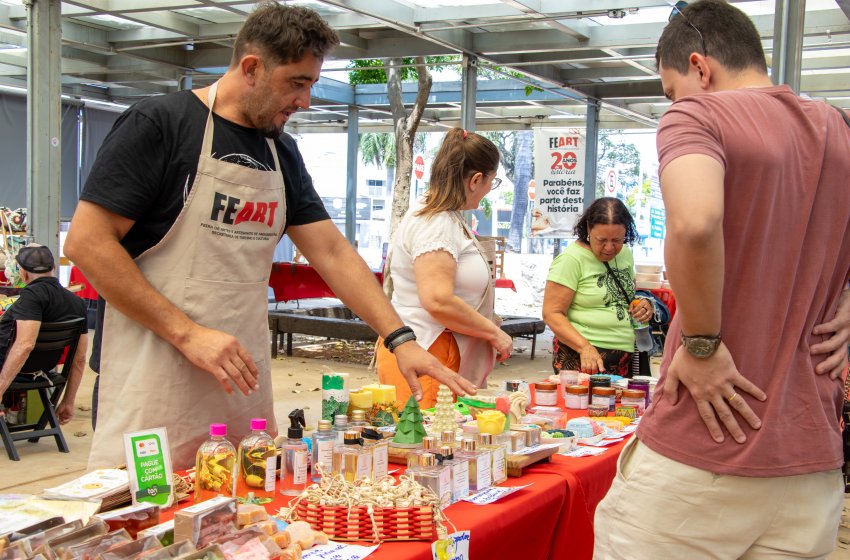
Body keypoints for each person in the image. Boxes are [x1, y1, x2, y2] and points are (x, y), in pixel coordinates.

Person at [64, 2, 475, 470]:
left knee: (243, 515)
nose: (305, 101)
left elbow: (333, 252)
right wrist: (189, 334)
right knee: (149, 524)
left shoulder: (281, 152)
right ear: (253, 68)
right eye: (297, 83)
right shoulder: (161, 125)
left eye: (312, 85)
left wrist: (401, 340)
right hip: (153, 377)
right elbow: (87, 243)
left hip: (240, 384)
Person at [594, 1, 850, 557]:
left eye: (670, 89)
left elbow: (694, 219)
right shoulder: (838, 128)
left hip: (700, 455)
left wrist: (704, 344)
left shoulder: (699, 116)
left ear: (699, 67)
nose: (671, 103)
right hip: (810, 464)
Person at [376, 128, 513, 409]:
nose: (489, 190)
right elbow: (437, 299)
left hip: (437, 349)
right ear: (476, 180)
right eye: (492, 181)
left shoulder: (445, 217)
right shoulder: (436, 222)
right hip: (429, 349)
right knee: (426, 445)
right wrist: (493, 332)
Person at [542, 197, 654, 377]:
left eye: (617, 240)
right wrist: (584, 347)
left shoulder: (625, 254)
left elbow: (626, 295)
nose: (609, 248)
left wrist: (643, 304)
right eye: (601, 240)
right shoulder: (571, 259)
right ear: (588, 229)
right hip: (584, 358)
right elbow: (552, 313)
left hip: (625, 354)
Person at [0, 245, 88, 425]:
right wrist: (68, 402)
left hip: (14, 369)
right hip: (43, 369)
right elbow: (79, 359)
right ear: (53, 267)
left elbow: (25, 346)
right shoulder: (77, 303)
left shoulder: (31, 297)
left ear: (23, 273)